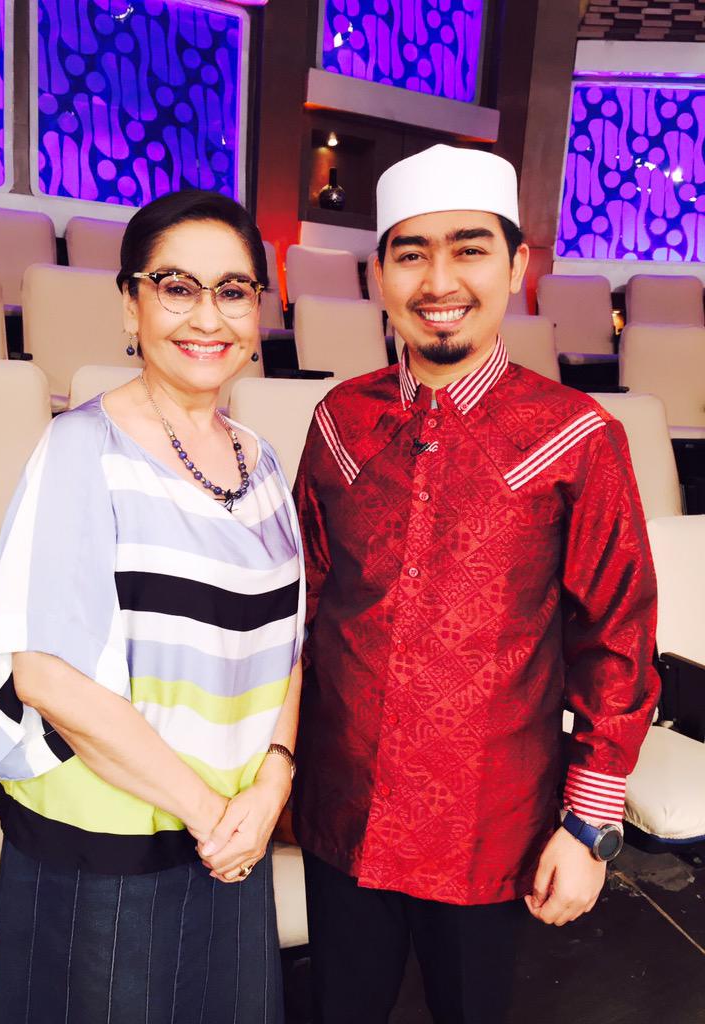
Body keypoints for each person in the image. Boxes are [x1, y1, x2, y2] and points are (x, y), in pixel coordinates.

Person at [291, 145, 660, 1024]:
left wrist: (589, 826)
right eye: (411, 253)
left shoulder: (575, 436)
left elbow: (617, 635)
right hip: (342, 804)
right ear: (378, 274)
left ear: (517, 264)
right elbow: (303, 605)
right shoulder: (340, 421)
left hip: (487, 824)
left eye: (469, 249)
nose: (438, 281)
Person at [0, 189, 303, 1024]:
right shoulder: (82, 449)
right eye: (177, 287)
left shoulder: (261, 462)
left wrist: (272, 782)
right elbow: (46, 676)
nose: (208, 316)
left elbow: (290, 646)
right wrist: (211, 816)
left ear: (257, 311)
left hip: (233, 834)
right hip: (112, 849)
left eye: (233, 290)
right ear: (131, 304)